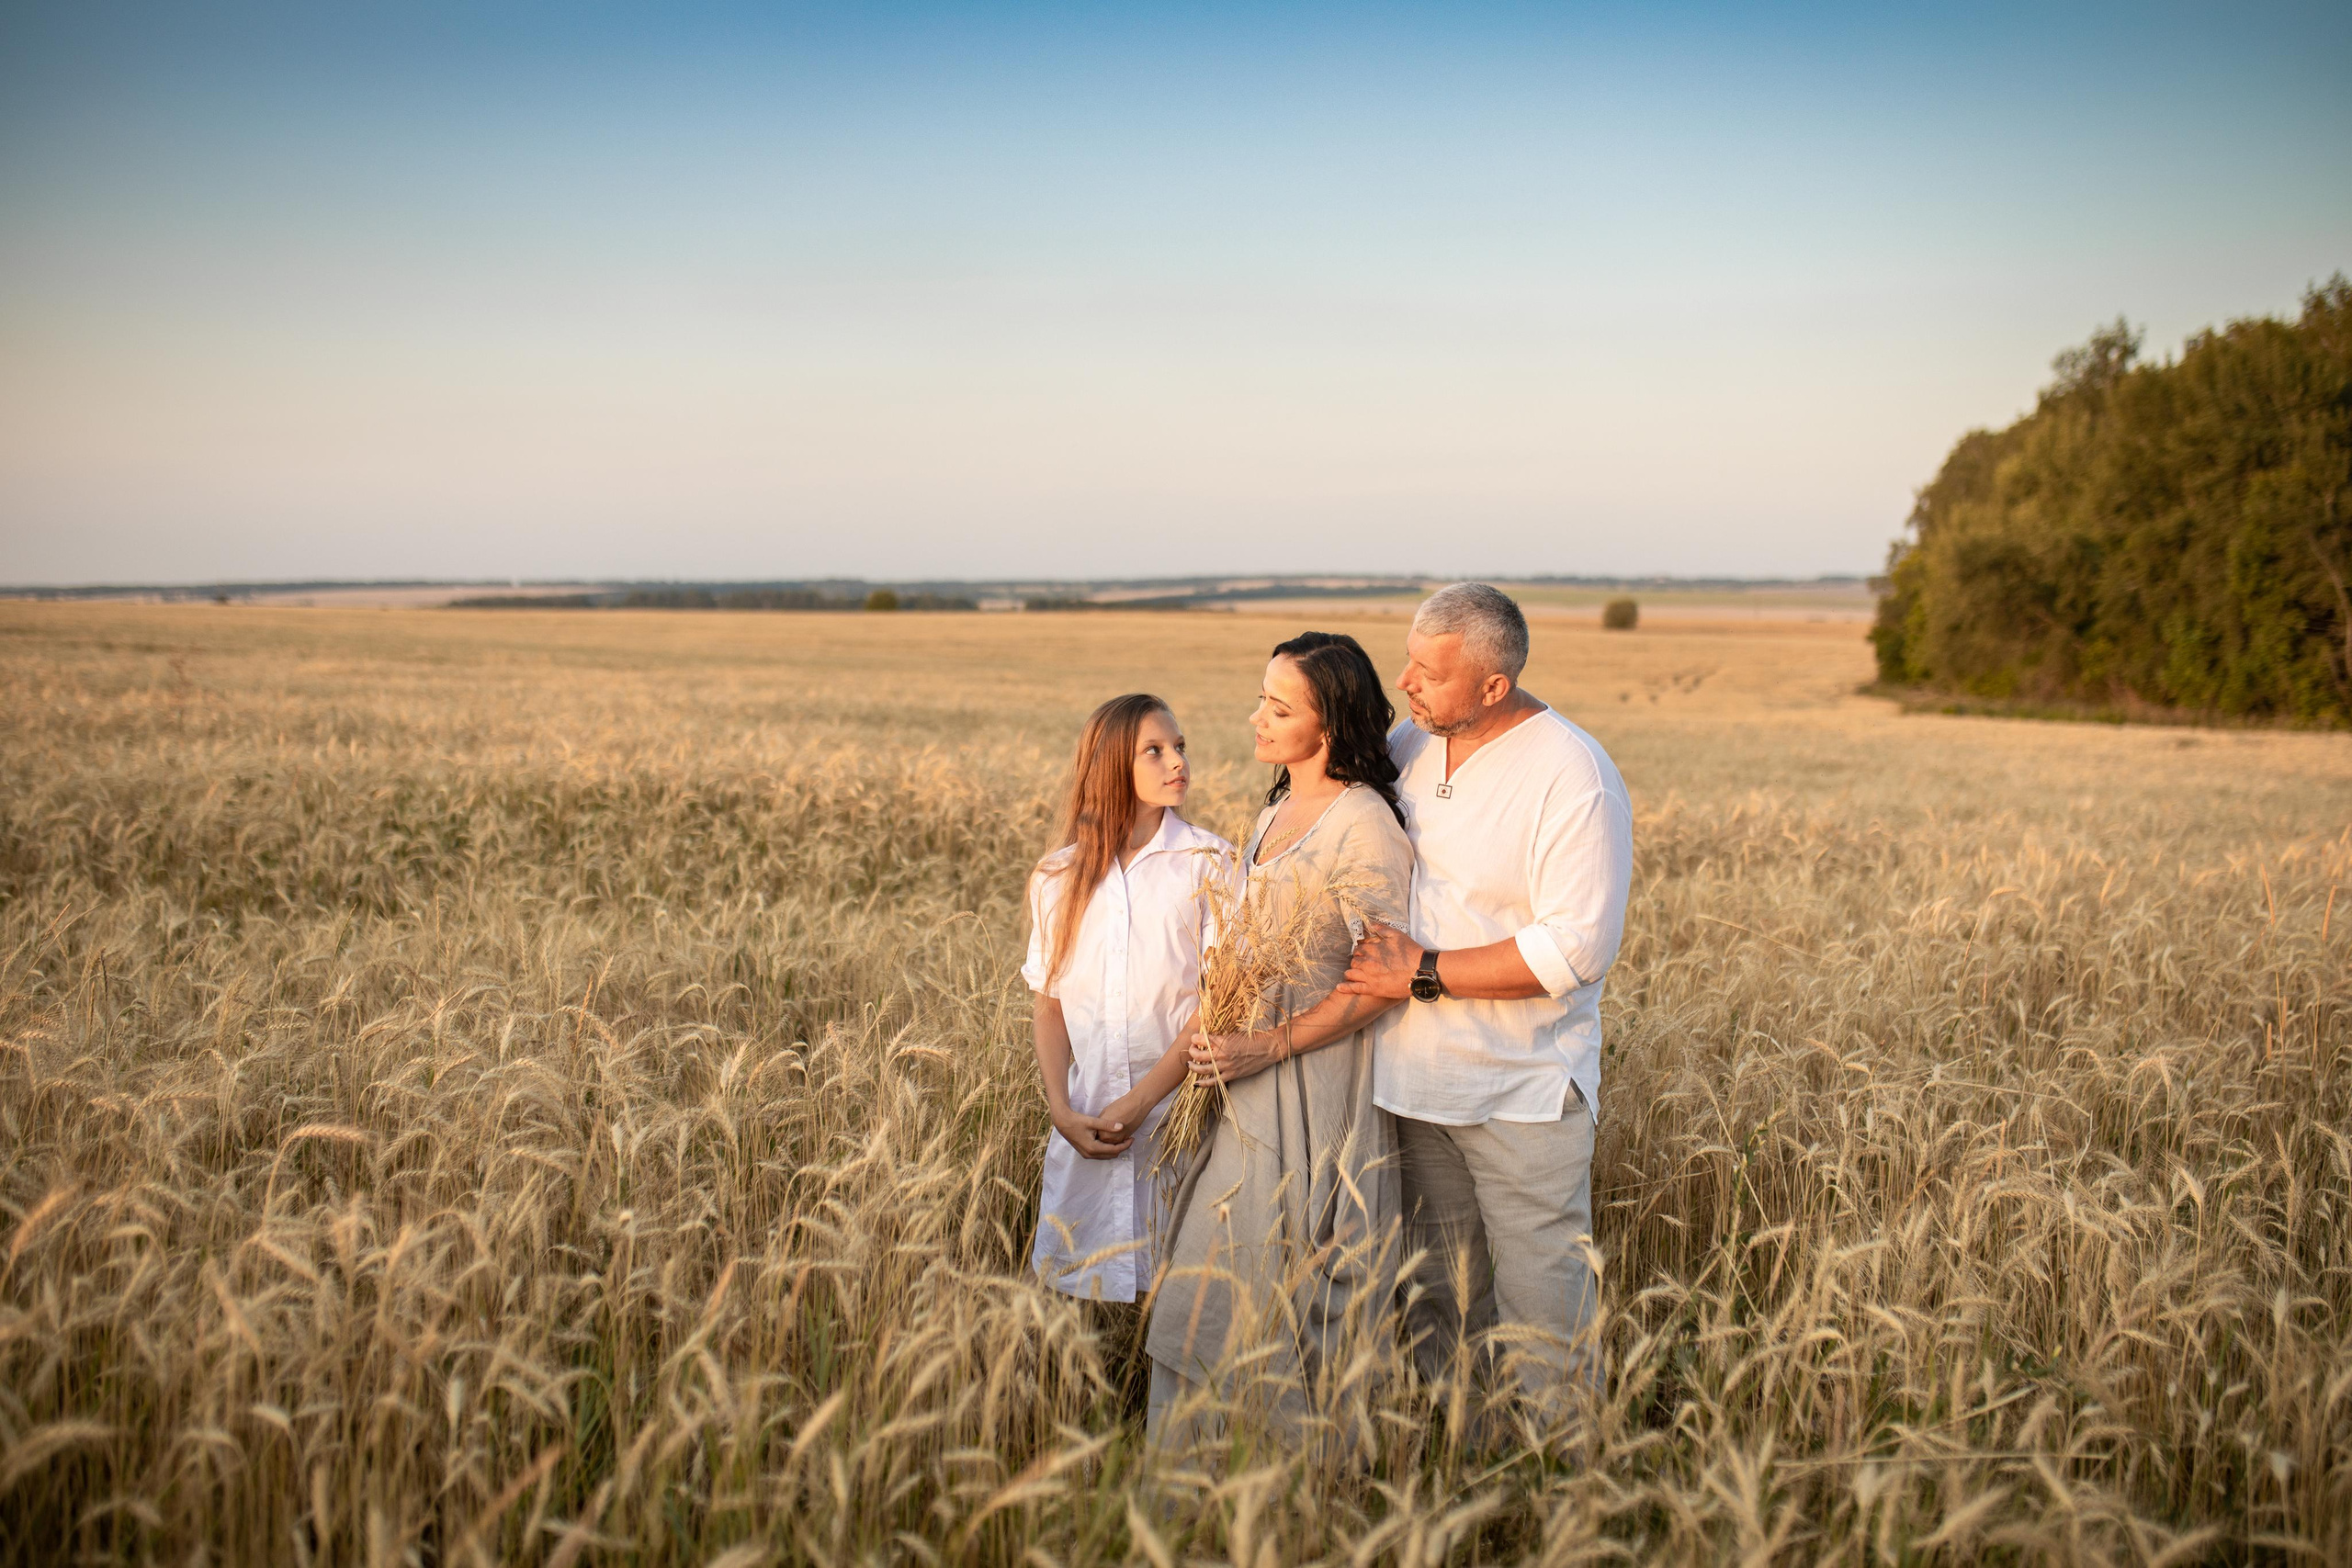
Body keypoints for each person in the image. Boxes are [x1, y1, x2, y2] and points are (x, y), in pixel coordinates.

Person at [1339, 582, 1633, 1413]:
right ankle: (1459, 1459)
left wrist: (1420, 971)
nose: (1406, 682)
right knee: (1438, 1292)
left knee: (1547, 1301)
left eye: (1430, 672)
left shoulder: (1572, 773)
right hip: (1412, 1078)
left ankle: (1559, 1481)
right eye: (1409, 662)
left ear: (1493, 686)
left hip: (1523, 1087)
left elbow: (1575, 946)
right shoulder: (1408, 745)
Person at [1144, 632, 1414, 1445]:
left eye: (1279, 706)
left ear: (1327, 724)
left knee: (1281, 1278)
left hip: (1311, 1086)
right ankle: (1192, 1487)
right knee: (1213, 1273)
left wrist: (1270, 1045)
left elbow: (1379, 979)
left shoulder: (1364, 825)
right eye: (1262, 697)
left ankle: (1289, 1488)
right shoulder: (1272, 812)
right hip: (1244, 1079)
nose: (1255, 716)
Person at [1023, 694, 1232, 1344]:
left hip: (1178, 1120)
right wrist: (1061, 1106)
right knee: (1081, 1304)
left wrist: (1144, 1099)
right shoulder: (1057, 875)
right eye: (1156, 750)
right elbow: (1049, 1001)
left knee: (1179, 1294)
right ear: (1113, 764)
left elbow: (1217, 1004)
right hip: (1087, 1117)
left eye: (1180, 746)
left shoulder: (1209, 863)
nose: (1178, 762)